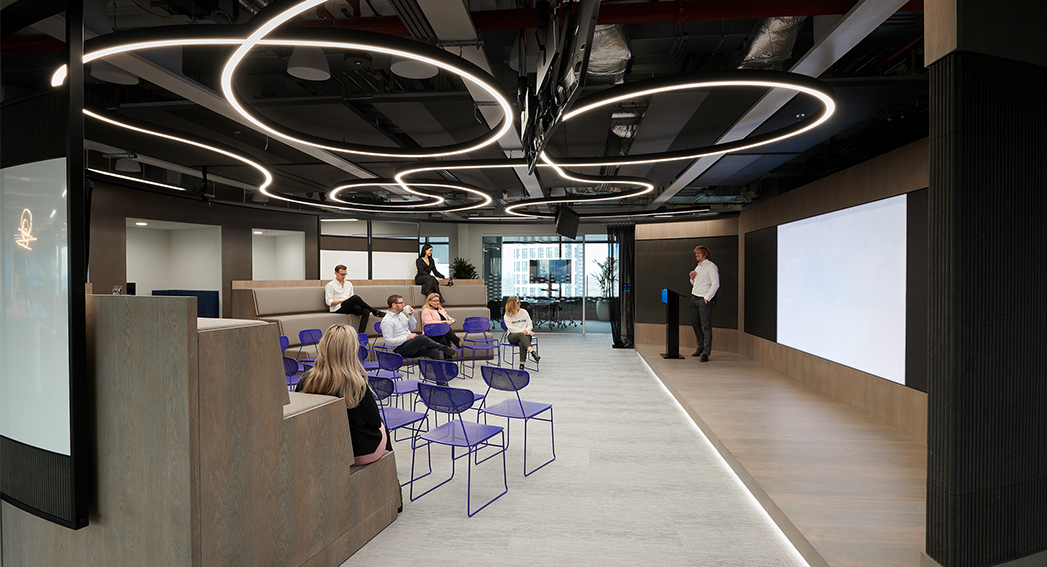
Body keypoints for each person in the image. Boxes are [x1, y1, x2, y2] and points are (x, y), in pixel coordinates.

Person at [295, 325, 390, 465]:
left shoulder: (306, 380)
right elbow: (374, 421)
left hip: (321, 447)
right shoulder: (356, 384)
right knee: (383, 428)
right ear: (351, 351)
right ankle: (392, 483)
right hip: (359, 452)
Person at [380, 294, 457, 360]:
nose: (404, 305)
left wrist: (411, 315)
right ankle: (443, 348)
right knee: (421, 337)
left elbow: (412, 327)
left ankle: (439, 376)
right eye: (401, 303)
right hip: (400, 349)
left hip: (411, 345)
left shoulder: (401, 315)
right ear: (394, 305)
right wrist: (406, 338)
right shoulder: (387, 321)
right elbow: (388, 341)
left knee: (434, 351)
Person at [325, 264, 384, 333]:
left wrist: (350, 301)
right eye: (341, 274)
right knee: (355, 298)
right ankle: (374, 311)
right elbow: (328, 302)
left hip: (349, 306)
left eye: (345, 274)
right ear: (336, 273)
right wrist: (342, 301)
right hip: (337, 308)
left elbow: (352, 298)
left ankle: (360, 334)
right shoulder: (330, 285)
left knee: (366, 311)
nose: (343, 276)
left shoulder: (349, 284)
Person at [688, 244, 720, 362]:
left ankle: (706, 352)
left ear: (705, 254)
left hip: (703, 299)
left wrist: (707, 297)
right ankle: (700, 347)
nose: (696, 255)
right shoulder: (698, 267)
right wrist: (692, 278)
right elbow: (696, 284)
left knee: (706, 325)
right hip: (694, 297)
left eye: (698, 253)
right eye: (696, 253)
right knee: (695, 323)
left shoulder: (711, 266)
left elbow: (715, 284)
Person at [503, 296, 540, 370]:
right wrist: (525, 331)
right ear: (512, 305)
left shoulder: (524, 312)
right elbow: (511, 329)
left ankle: (522, 365)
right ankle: (532, 352)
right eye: (517, 303)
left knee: (522, 342)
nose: (520, 304)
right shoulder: (507, 316)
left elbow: (530, 324)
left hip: (525, 335)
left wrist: (526, 331)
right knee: (521, 335)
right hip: (513, 336)